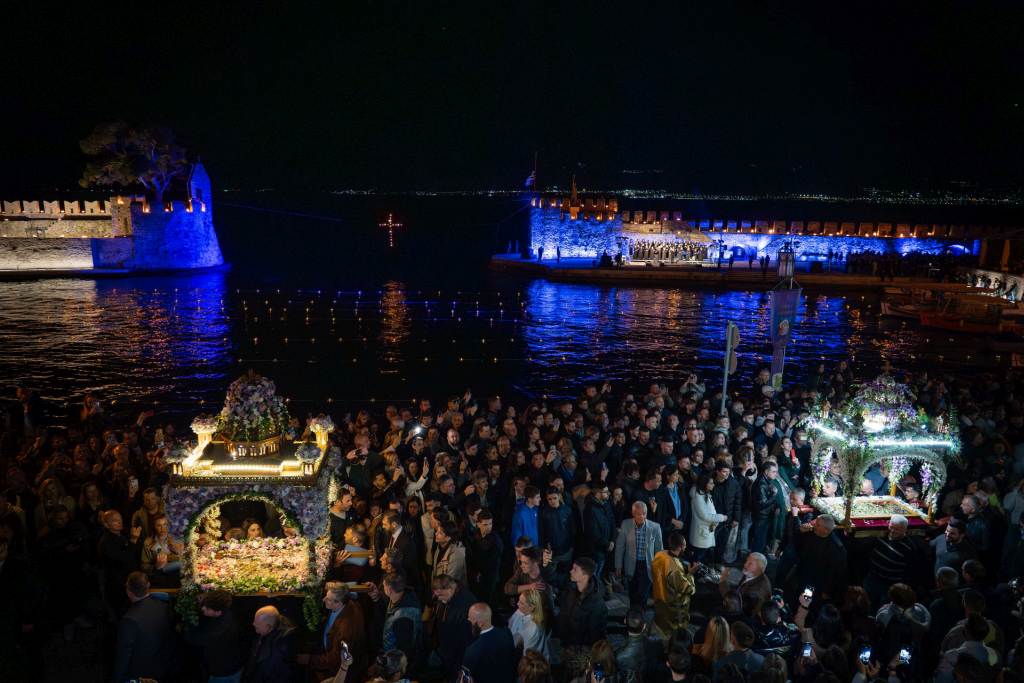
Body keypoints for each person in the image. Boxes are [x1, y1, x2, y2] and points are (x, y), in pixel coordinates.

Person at [112, 571, 177, 683]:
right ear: (148, 586)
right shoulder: (163, 605)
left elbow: (123, 656)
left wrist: (117, 679)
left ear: (129, 591)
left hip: (142, 674)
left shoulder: (129, 620)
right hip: (165, 666)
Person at [297, 582, 367, 682]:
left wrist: (310, 660)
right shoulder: (344, 601)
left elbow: (336, 658)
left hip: (339, 671)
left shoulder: (345, 629)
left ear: (339, 603)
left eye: (328, 599)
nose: (324, 600)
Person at [184, 590, 246, 683]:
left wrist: (187, 624)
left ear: (218, 612)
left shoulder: (219, 631)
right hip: (232, 664)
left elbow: (192, 638)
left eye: (207, 608)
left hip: (223, 673)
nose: (203, 608)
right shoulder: (224, 609)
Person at [558, 557, 608, 672]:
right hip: (569, 644)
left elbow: (596, 635)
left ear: (585, 576)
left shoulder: (596, 604)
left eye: (575, 569)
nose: (571, 571)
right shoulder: (572, 588)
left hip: (581, 652)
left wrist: (582, 652)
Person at [615, 501, 664, 607]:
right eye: (638, 514)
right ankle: (633, 613)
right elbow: (620, 546)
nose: (642, 516)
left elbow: (659, 550)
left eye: (644, 513)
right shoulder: (626, 524)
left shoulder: (655, 527)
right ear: (633, 514)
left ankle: (641, 613)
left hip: (647, 565)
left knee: (643, 594)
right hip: (631, 564)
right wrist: (618, 566)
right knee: (632, 593)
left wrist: (659, 568)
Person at [651, 531, 697, 638]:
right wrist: (691, 574)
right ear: (680, 547)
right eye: (684, 546)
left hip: (659, 601)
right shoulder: (675, 569)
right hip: (673, 609)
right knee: (673, 635)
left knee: (661, 624)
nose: (685, 548)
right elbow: (690, 589)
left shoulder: (660, 554)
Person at [430, 574, 477, 677]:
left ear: (450, 589)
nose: (439, 599)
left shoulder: (466, 605)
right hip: (446, 650)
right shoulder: (447, 598)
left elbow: (465, 637)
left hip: (458, 656)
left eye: (441, 595)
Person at [98, 509, 141, 611]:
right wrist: (133, 540)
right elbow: (124, 560)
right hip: (118, 588)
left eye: (120, 519)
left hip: (129, 584)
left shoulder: (122, 535)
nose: (119, 522)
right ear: (106, 525)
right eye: (115, 520)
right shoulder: (106, 542)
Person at [463, 602, 518, 683]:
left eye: (471, 619)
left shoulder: (473, 650)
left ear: (480, 624)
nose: (468, 620)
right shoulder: (506, 633)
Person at [243, 605, 298, 683]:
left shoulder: (280, 650)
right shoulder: (263, 633)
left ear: (269, 627)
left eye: (257, 623)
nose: (253, 624)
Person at [689, 471, 727, 564]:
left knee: (702, 557)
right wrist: (722, 518)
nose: (713, 484)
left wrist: (715, 523)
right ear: (704, 483)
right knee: (698, 558)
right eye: (710, 483)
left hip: (706, 531)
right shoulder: (698, 496)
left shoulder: (705, 494)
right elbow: (704, 515)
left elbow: (711, 511)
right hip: (701, 532)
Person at [509, 588, 549, 657]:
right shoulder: (520, 611)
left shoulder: (533, 628)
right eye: (519, 600)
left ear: (532, 607)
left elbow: (526, 656)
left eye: (522, 603)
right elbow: (510, 627)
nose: (517, 604)